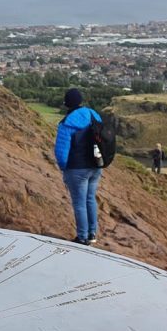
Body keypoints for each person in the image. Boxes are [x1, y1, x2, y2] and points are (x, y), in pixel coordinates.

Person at [54, 88, 102, 245]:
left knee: (79, 203)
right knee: (90, 199)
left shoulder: (67, 122)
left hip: (76, 168)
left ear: (67, 103)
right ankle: (92, 234)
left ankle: (82, 237)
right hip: (96, 166)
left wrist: (63, 167)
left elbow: (61, 150)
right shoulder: (94, 115)